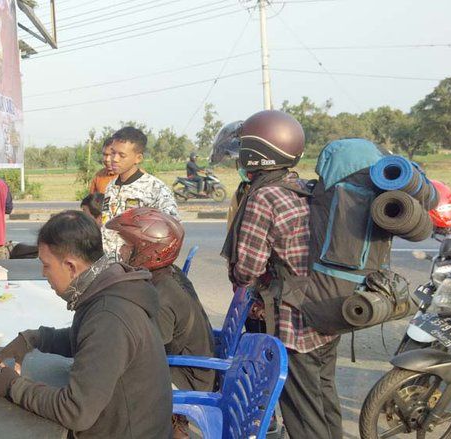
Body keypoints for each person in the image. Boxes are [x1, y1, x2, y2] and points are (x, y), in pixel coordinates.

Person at [0, 210, 172, 438]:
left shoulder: (109, 315)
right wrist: (34, 338)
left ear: (71, 266)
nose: (44, 274)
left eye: (46, 265)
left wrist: (13, 386)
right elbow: (87, 340)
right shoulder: (106, 285)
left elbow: (75, 410)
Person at [221, 110, 341, 439]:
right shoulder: (302, 188)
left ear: (254, 154)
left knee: (302, 412)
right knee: (325, 400)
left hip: (293, 324)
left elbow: (248, 269)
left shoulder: (264, 197)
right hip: (327, 311)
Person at [106, 207, 215, 438]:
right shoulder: (163, 276)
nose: (122, 250)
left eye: (127, 245)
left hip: (187, 378)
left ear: (147, 250)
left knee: (115, 386)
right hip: (191, 367)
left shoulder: (162, 294)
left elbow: (146, 350)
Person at [100, 126, 179, 258]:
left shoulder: (154, 188)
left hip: (137, 270)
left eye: (122, 155)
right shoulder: (110, 187)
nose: (114, 159)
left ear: (138, 158)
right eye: (113, 152)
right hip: (109, 267)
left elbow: (172, 231)